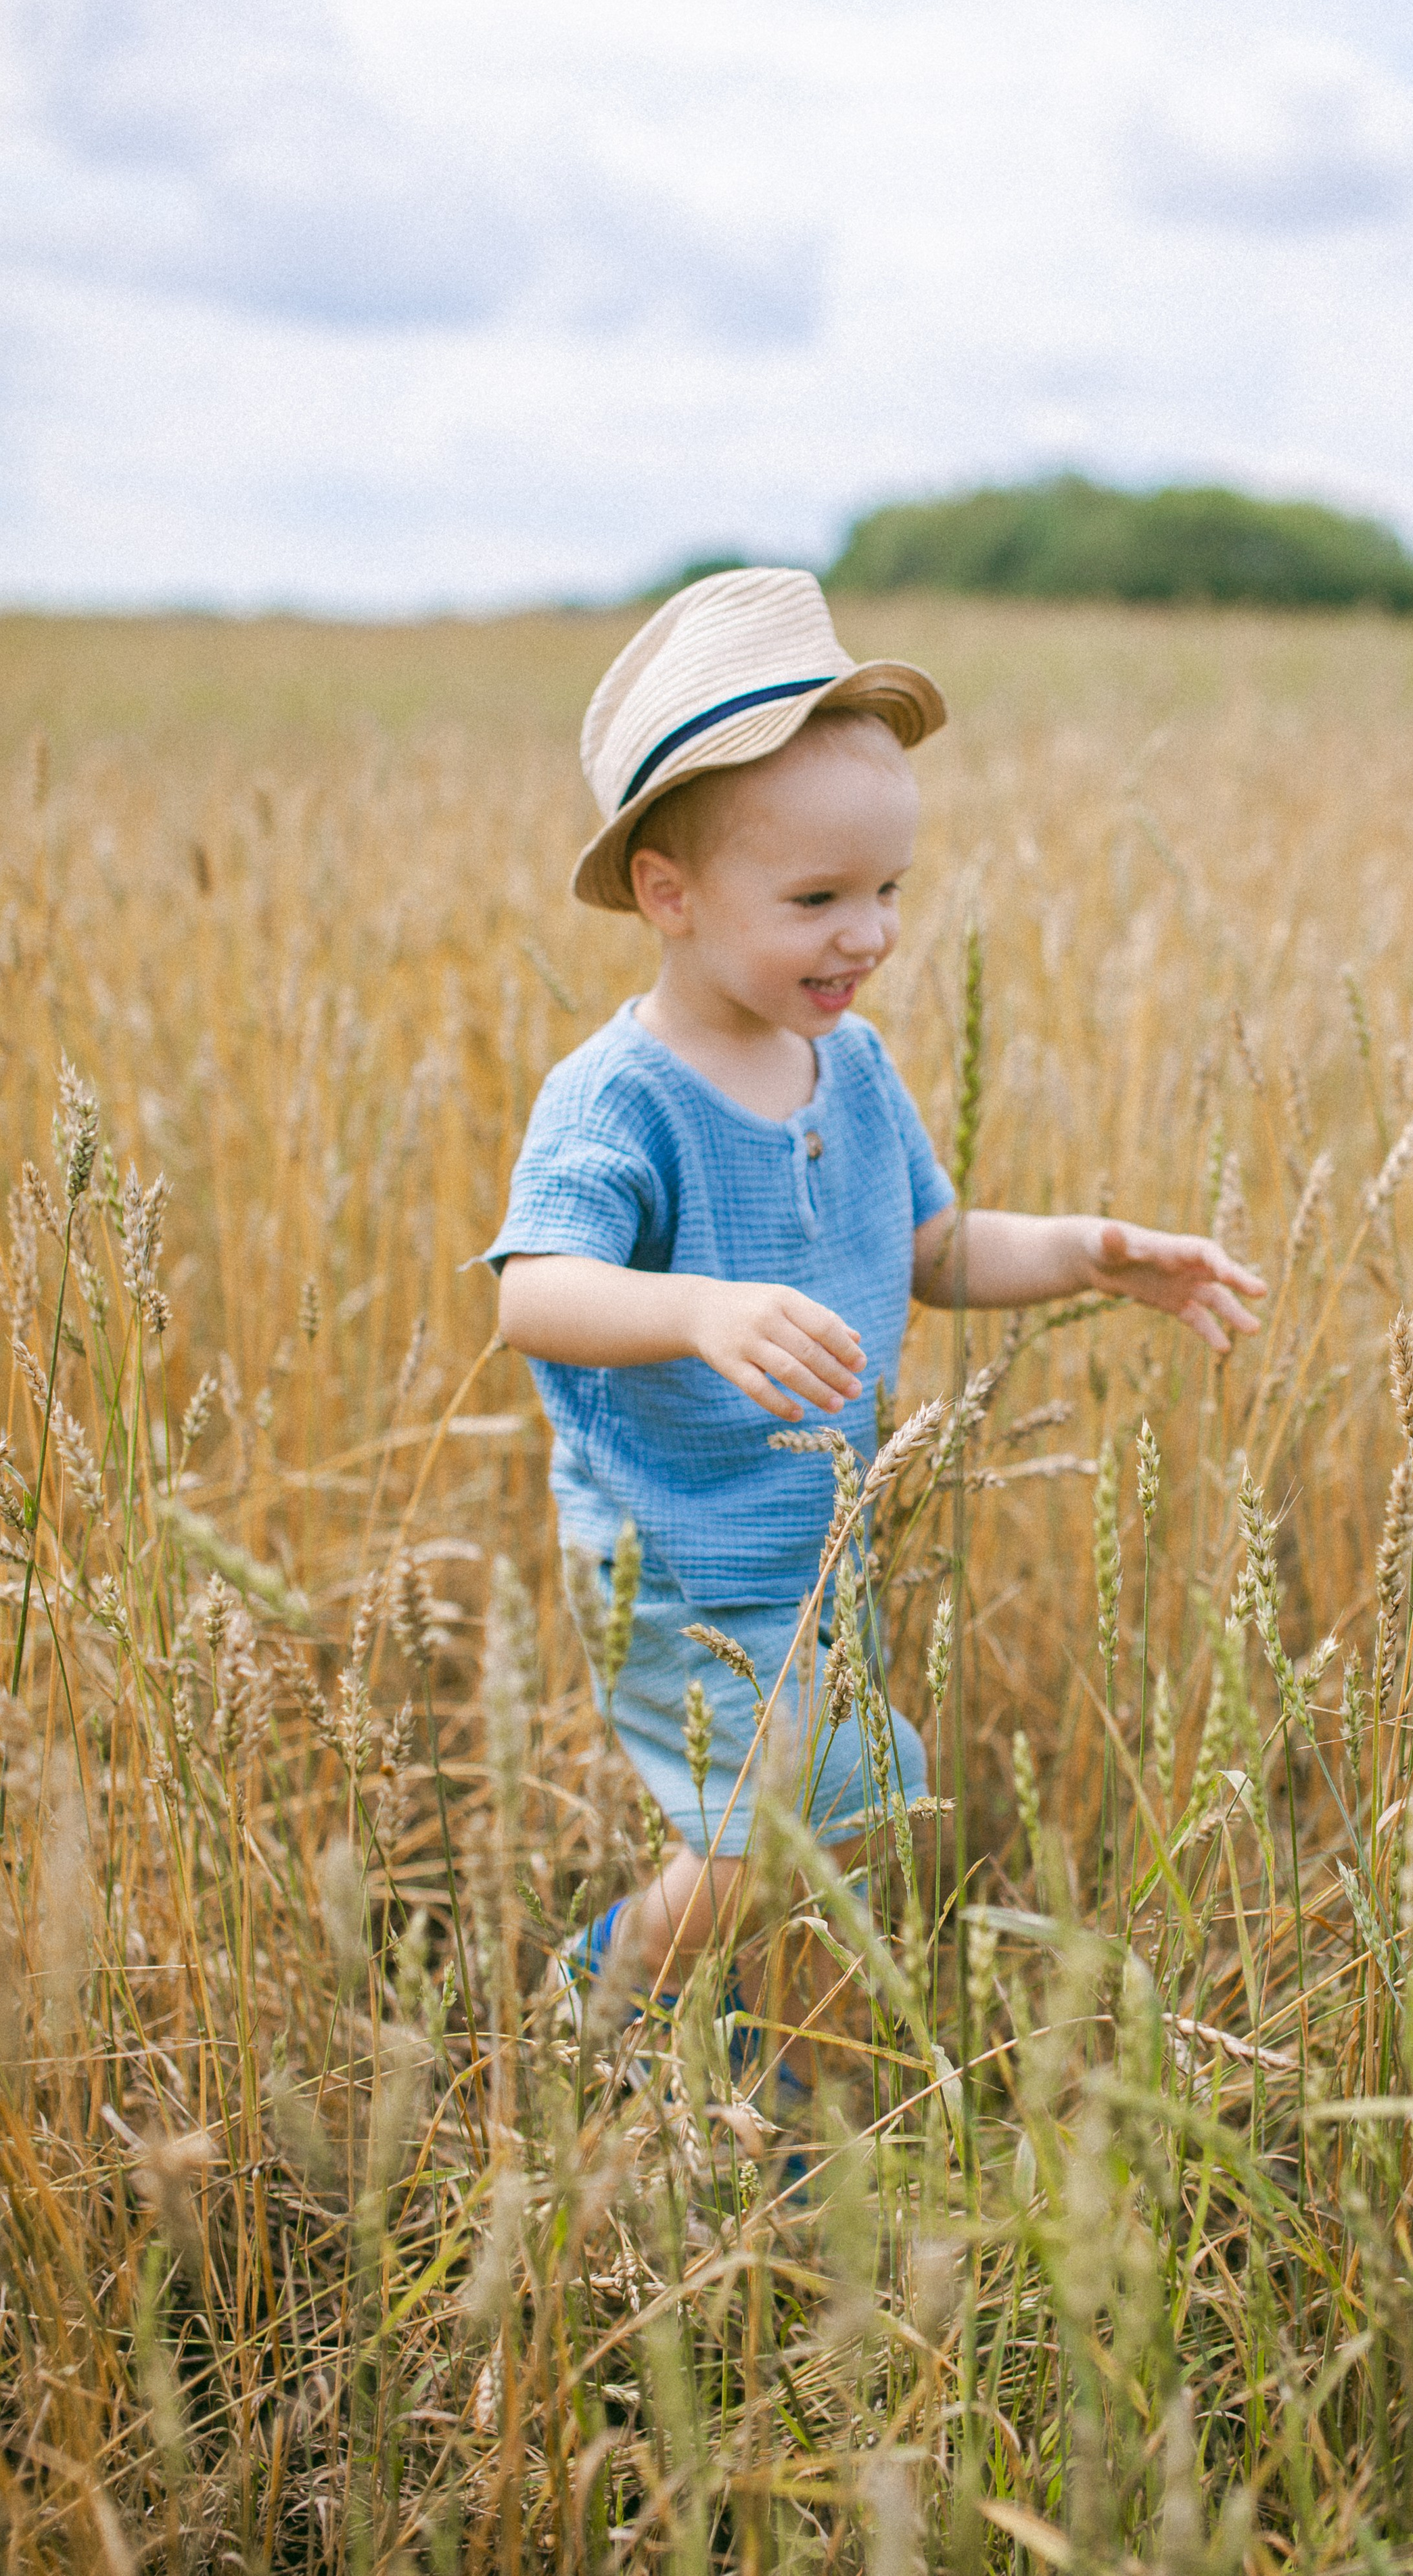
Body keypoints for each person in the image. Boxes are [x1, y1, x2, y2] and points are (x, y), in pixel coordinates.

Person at [485, 566, 1264, 2052]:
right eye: (817, 900)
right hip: (679, 1555)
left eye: (888, 891)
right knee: (779, 1826)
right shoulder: (619, 1096)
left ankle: (709, 2044)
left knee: (819, 1821)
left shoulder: (853, 1067)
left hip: (817, 1550)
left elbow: (934, 1244)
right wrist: (697, 1312)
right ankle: (608, 2005)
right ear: (669, 894)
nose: (869, 935)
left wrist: (1095, 1253)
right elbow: (536, 1293)